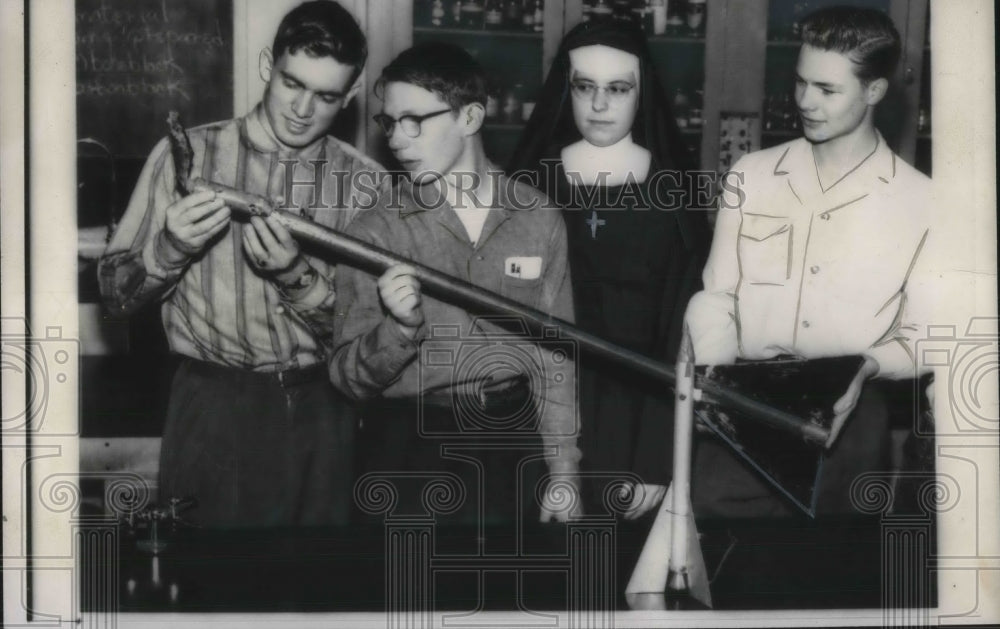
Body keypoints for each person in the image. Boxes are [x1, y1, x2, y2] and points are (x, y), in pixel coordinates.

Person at [98, 1, 387, 528]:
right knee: (207, 589)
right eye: (291, 83)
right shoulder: (185, 157)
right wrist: (169, 248)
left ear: (347, 99)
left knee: (318, 593)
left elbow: (376, 340)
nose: (302, 109)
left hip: (326, 408)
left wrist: (297, 278)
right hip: (213, 405)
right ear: (265, 68)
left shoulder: (366, 185)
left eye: (324, 96)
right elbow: (115, 300)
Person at [686, 5, 933, 521]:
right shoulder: (752, 176)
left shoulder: (922, 203)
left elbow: (926, 335)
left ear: (875, 91)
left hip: (850, 418)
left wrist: (865, 367)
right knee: (719, 565)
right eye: (800, 83)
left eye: (827, 90)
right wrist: (717, 389)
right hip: (744, 402)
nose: (804, 101)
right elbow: (717, 295)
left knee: (827, 576)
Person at [329, 42, 581, 526]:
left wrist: (564, 469)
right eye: (390, 122)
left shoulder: (538, 218)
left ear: (470, 118)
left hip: (513, 445)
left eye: (415, 120)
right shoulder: (374, 232)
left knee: (514, 597)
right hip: (410, 454)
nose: (398, 140)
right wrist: (397, 332)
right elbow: (345, 376)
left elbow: (557, 354)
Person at [509, 17, 710, 520]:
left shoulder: (674, 193)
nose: (599, 105)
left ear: (641, 94)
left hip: (637, 415)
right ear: (566, 91)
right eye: (585, 88)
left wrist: (658, 458)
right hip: (538, 413)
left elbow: (681, 336)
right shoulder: (530, 185)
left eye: (617, 89)